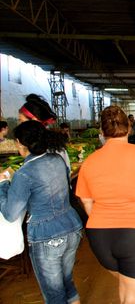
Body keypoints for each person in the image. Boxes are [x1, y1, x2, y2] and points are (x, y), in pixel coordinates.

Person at [76, 106, 135, 304]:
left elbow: (86, 201)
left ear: (102, 132)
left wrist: (104, 218)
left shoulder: (90, 161)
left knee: (126, 287)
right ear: (129, 128)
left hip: (100, 237)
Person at [0, 121, 83, 304]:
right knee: (67, 282)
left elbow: (11, 213)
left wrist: (3, 184)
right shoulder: (57, 160)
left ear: (21, 143)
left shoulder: (24, 173)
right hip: (71, 228)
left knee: (54, 295)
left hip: (48, 237)